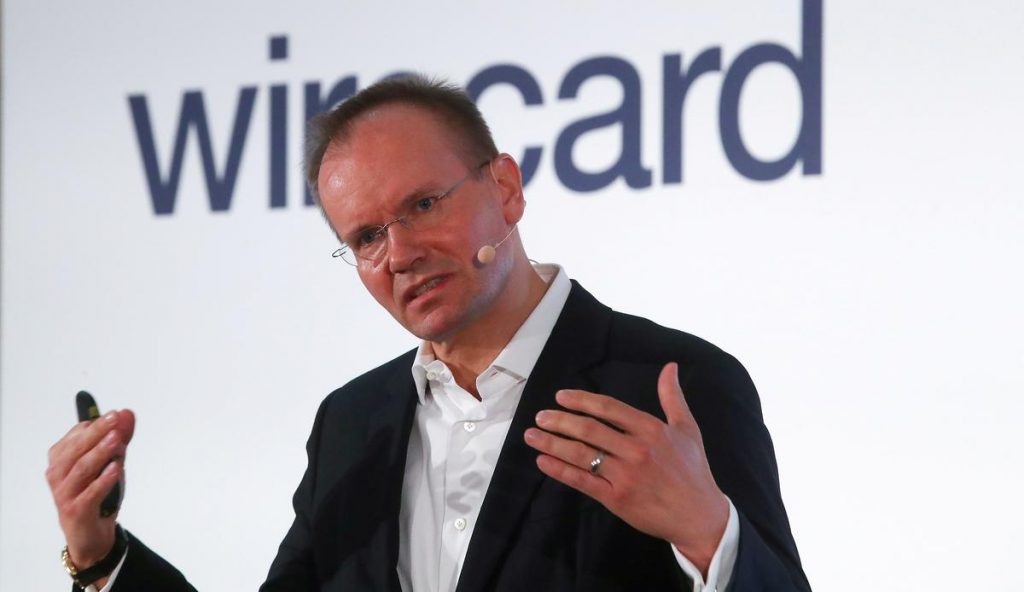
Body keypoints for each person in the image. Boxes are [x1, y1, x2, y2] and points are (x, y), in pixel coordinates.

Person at [46, 75, 811, 591]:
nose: (401, 253)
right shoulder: (353, 425)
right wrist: (101, 557)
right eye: (366, 236)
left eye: (422, 205)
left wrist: (709, 534)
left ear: (504, 189)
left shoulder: (670, 386)